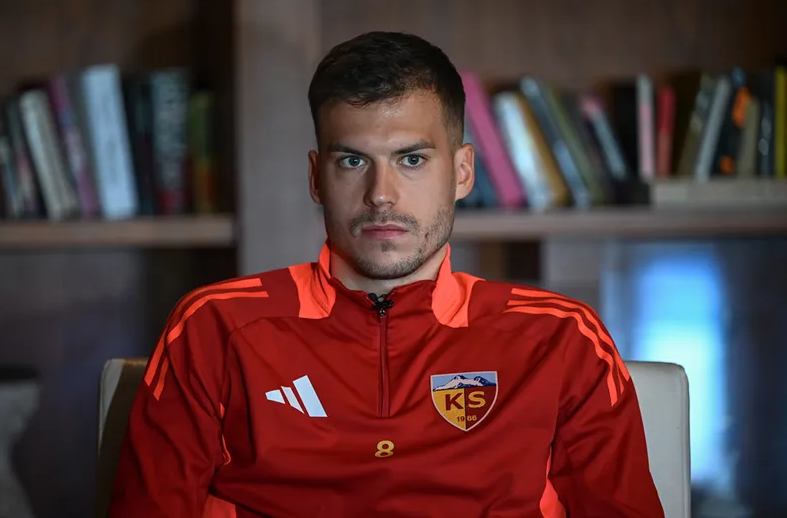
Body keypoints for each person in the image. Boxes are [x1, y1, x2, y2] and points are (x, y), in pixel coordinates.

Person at [108, 31, 665, 517]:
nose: (381, 195)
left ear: (463, 171)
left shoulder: (561, 339)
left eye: (412, 159)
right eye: (352, 161)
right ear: (316, 178)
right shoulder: (215, 328)